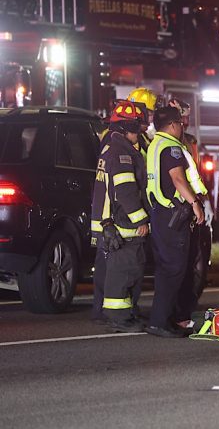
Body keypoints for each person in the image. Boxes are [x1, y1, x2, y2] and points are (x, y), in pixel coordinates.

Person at [145, 106, 207, 338]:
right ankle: (160, 321)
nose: (182, 127)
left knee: (165, 269)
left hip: (161, 215)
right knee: (174, 270)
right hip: (173, 216)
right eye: (180, 123)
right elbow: (178, 179)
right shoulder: (171, 147)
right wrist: (195, 203)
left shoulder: (154, 145)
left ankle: (165, 319)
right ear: (172, 125)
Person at [90, 100, 150, 333]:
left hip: (110, 222)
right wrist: (140, 220)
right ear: (127, 128)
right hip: (121, 223)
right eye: (137, 127)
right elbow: (125, 191)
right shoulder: (122, 153)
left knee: (118, 270)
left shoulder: (113, 147)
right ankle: (120, 317)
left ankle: (121, 314)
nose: (140, 131)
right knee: (124, 269)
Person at [168, 98, 214, 324]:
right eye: (180, 116)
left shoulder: (188, 141)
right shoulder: (167, 142)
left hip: (194, 205)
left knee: (196, 261)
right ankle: (178, 311)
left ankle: (187, 306)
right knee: (182, 263)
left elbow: (194, 173)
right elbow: (176, 177)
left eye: (186, 116)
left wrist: (203, 200)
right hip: (179, 208)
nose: (184, 121)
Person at [126, 87, 158, 154]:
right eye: (149, 115)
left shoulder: (142, 136)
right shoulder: (117, 137)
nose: (151, 120)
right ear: (138, 112)